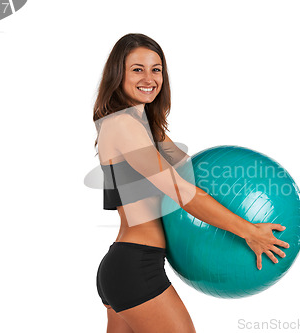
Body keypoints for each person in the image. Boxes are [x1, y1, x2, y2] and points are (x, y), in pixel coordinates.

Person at [93, 33, 289, 333]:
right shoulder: (122, 125)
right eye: (137, 69)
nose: (149, 77)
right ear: (118, 74)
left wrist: (155, 124)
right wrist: (250, 232)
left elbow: (186, 168)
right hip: (136, 267)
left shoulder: (136, 124)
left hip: (126, 265)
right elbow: (182, 191)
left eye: (156, 69)